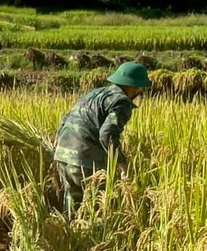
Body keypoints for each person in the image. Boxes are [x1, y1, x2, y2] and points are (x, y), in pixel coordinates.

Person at [52, 61, 151, 215]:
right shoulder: (121, 101)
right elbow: (107, 133)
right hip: (85, 160)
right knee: (95, 209)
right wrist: (123, 164)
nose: (140, 91)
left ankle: (69, 230)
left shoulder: (94, 94)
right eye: (140, 87)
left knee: (72, 207)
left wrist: (58, 146)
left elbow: (66, 119)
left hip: (63, 155)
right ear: (134, 86)